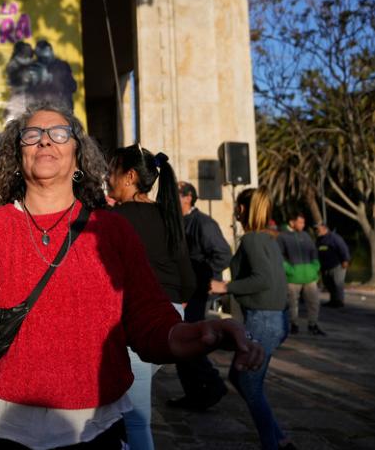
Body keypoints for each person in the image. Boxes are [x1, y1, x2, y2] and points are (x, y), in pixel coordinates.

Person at [0, 103, 264, 450]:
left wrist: (203, 334)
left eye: (59, 133)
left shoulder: (112, 232)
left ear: (77, 153)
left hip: (94, 429)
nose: (45, 140)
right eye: (32, 134)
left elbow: (151, 324)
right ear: (16, 152)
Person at [106, 145, 195, 450]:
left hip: (141, 323)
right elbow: (188, 281)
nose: (107, 177)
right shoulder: (168, 216)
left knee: (135, 419)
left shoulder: (115, 219)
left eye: (111, 170)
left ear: (129, 176)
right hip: (170, 318)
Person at [210, 187, 293, 450]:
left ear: (243, 209)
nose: (235, 210)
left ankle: (274, 444)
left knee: (248, 382)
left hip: (264, 320)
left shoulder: (252, 241)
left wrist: (224, 287)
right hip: (274, 318)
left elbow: (263, 279)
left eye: (237, 206)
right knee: (240, 377)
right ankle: (280, 439)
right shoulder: (267, 238)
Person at [168, 180, 232, 411]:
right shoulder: (175, 222)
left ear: (187, 197)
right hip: (180, 290)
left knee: (188, 340)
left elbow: (223, 254)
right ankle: (194, 392)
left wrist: (205, 278)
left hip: (195, 294)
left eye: (174, 193)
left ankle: (212, 384)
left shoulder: (204, 224)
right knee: (181, 341)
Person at [278, 211, 323, 335]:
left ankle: (313, 325)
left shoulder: (306, 235)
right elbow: (279, 255)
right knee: (292, 302)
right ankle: (294, 325)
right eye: (300, 222)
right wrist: (288, 269)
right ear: (292, 223)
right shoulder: (282, 236)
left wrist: (315, 266)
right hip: (293, 277)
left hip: (310, 276)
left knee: (314, 301)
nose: (303, 225)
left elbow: (314, 252)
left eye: (303, 222)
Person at [315, 221, 350, 308]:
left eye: (317, 228)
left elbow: (343, 248)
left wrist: (345, 260)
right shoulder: (319, 239)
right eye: (315, 229)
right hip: (325, 266)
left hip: (337, 265)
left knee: (338, 283)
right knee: (328, 284)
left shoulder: (334, 237)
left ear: (324, 228)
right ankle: (333, 300)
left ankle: (339, 301)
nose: (316, 230)